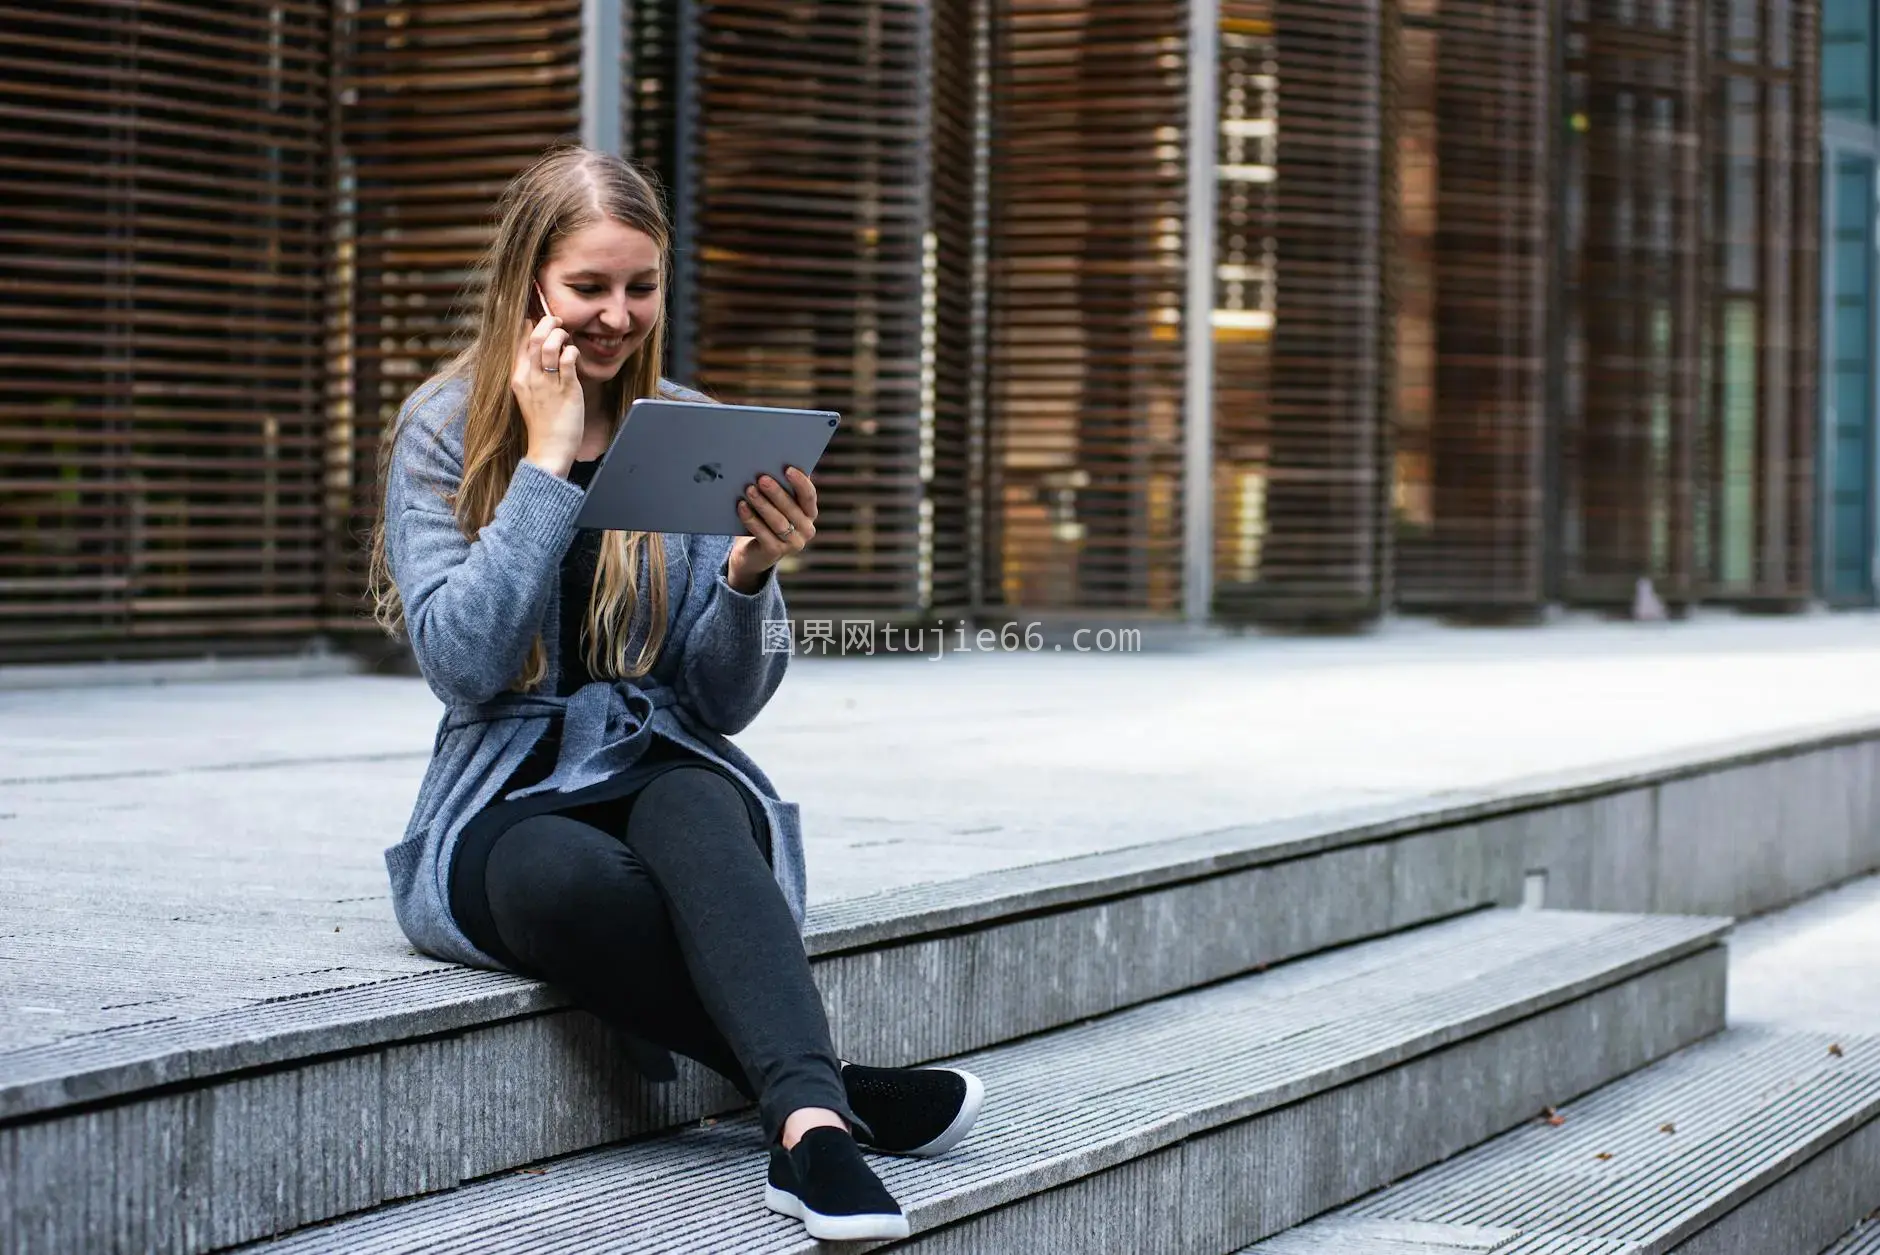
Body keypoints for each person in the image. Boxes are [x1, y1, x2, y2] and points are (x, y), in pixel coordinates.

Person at [367, 143, 982, 1243]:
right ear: (531, 285)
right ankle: (830, 1096)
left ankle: (806, 1136)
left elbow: (721, 703)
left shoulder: (689, 426)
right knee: (565, 879)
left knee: (699, 806)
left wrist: (750, 574)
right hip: (504, 791)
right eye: (587, 287)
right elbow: (460, 664)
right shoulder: (445, 427)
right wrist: (548, 465)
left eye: (638, 286)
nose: (615, 315)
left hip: (663, 761)